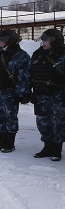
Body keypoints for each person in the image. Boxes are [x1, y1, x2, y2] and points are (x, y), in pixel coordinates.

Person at [0, 29, 31, 153]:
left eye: (2, 40)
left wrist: (22, 93)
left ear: (10, 41)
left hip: (9, 91)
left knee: (10, 117)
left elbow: (24, 77)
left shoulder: (20, 55)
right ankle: (2, 140)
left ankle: (10, 142)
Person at [30, 29, 65, 161]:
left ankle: (56, 149)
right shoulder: (37, 54)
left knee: (58, 124)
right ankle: (47, 146)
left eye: (46, 40)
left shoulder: (62, 55)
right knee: (42, 122)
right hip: (40, 94)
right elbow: (30, 73)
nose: (43, 42)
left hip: (58, 96)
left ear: (54, 41)